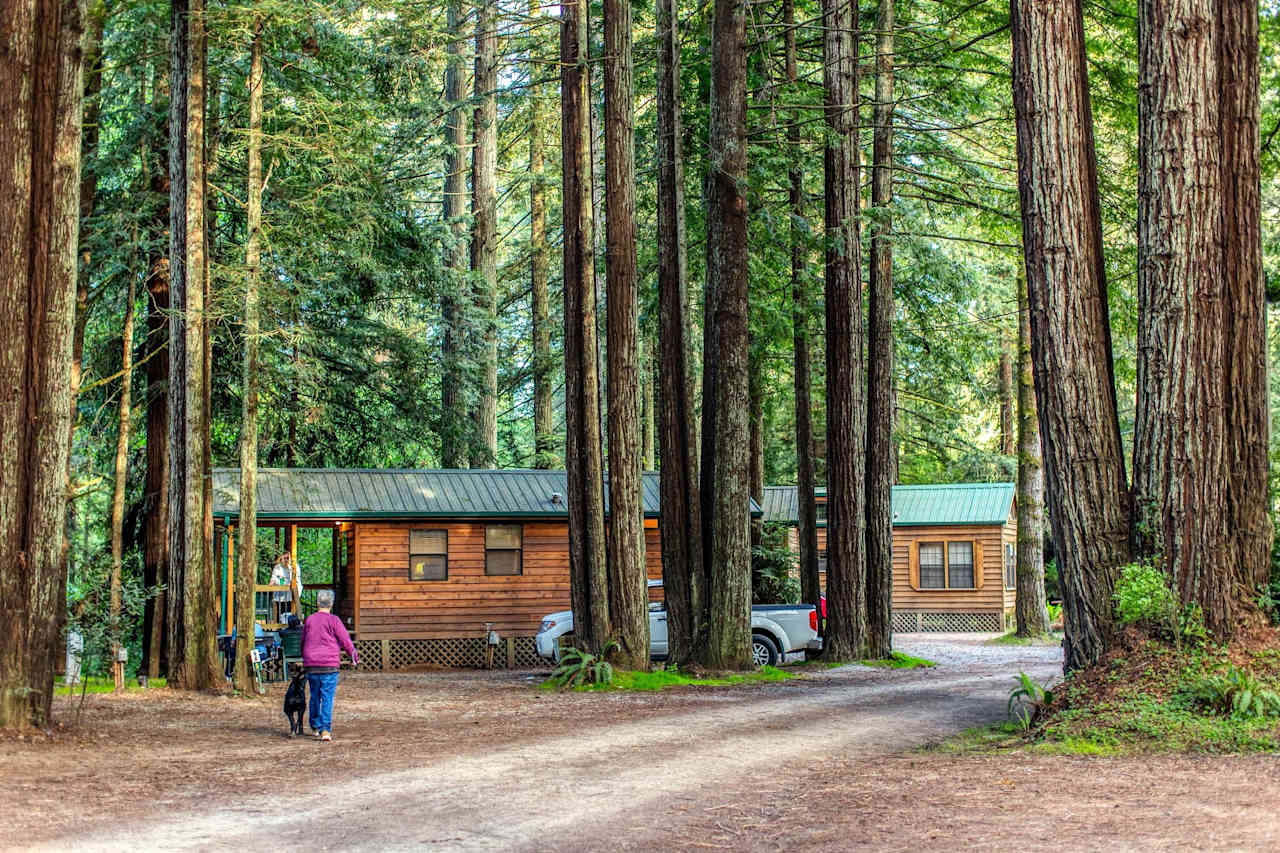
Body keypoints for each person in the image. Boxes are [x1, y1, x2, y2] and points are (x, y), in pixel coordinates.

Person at [300, 588, 358, 742]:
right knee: (327, 697)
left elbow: (303, 640)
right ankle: (326, 729)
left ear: (318, 603)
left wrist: (304, 656)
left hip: (311, 663)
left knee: (314, 696)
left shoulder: (310, 619)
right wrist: (353, 656)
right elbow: (345, 639)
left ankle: (315, 726)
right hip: (329, 665)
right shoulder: (334, 620)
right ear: (331, 604)